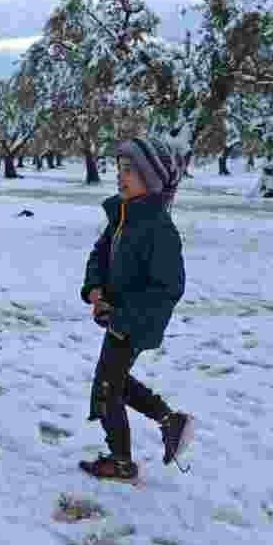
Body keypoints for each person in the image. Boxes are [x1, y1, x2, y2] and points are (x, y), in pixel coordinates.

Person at [78, 137, 193, 483]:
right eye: (119, 169)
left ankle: (122, 461)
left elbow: (167, 288)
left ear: (153, 179)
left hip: (135, 324)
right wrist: (95, 289)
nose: (120, 176)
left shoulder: (159, 230)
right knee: (114, 383)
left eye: (130, 171)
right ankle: (170, 421)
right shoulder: (122, 217)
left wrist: (123, 317)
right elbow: (99, 255)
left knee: (107, 388)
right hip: (117, 318)